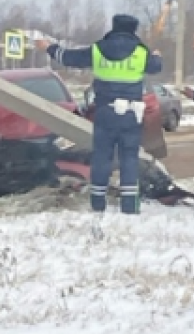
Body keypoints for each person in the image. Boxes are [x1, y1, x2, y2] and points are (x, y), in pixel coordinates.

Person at [39, 14, 162, 215]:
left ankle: (97, 202)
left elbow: (69, 58)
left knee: (102, 157)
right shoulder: (141, 52)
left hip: (105, 111)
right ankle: (129, 206)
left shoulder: (98, 49)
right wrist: (156, 55)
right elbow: (156, 67)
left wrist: (48, 47)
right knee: (129, 158)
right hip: (131, 112)